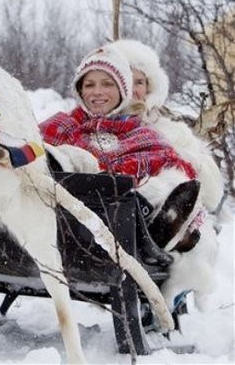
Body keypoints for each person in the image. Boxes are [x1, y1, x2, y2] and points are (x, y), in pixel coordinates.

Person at [40, 43, 202, 253]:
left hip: (117, 233)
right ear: (80, 91)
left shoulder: (143, 134)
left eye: (107, 84)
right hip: (57, 222)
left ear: (122, 90)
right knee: (59, 157)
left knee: (156, 186)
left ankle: (161, 227)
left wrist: (126, 178)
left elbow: (177, 165)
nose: (97, 92)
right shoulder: (63, 125)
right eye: (89, 85)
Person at [110, 39, 223, 310]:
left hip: (147, 226)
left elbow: (210, 189)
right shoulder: (94, 129)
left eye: (140, 82)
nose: (134, 89)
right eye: (126, 80)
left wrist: (182, 165)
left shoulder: (171, 132)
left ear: (150, 88)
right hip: (115, 230)